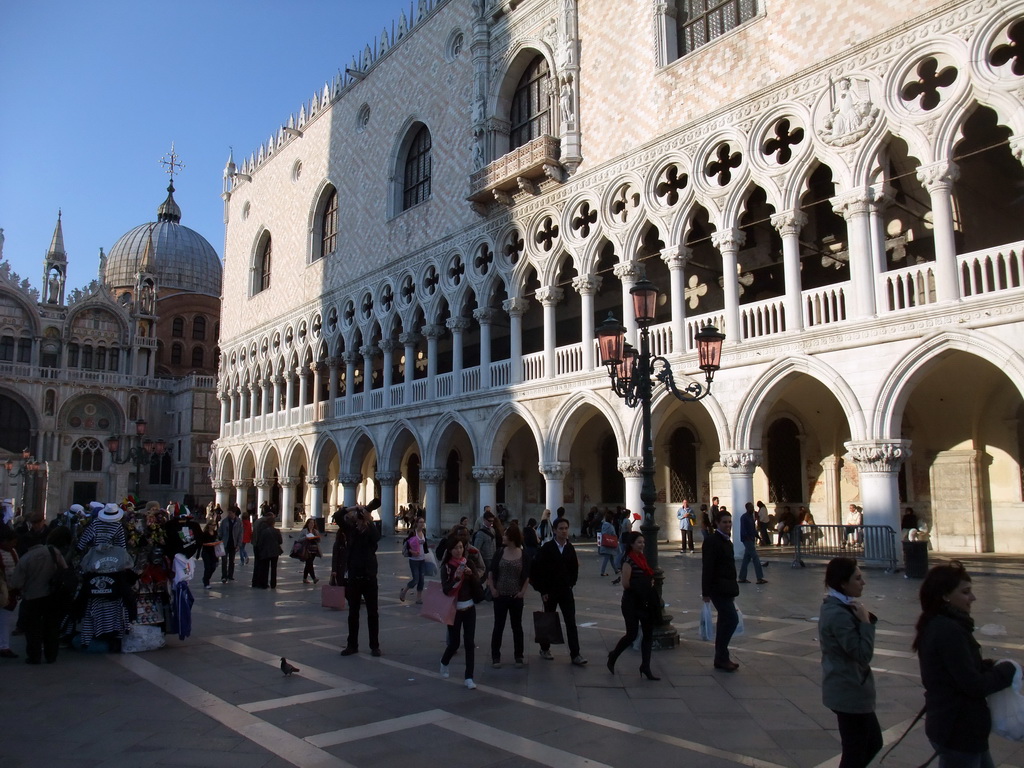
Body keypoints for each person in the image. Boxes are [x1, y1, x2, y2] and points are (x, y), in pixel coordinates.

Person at [913, 561, 1015, 768]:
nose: (973, 598)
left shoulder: (942, 624)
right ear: (945, 596)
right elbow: (973, 684)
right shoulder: (947, 630)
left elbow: (957, 669)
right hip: (958, 730)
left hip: (962, 729)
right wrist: (1007, 671)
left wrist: (989, 665)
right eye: (966, 592)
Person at [819, 557, 881, 768]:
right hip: (848, 689)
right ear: (843, 583)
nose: (863, 582)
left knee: (871, 743)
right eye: (857, 578)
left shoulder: (841, 606)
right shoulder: (837, 613)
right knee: (855, 752)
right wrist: (865, 622)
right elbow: (862, 654)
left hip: (851, 686)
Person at [529, 517, 587, 666]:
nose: (564, 531)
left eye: (566, 528)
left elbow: (574, 568)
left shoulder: (569, 548)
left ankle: (575, 654)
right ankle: (545, 648)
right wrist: (542, 590)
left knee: (570, 622)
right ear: (554, 530)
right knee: (548, 620)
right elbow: (536, 570)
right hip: (550, 591)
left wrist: (571, 584)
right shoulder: (547, 548)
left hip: (565, 591)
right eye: (561, 528)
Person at [8, 527, 69, 664]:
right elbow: (64, 569)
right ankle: (51, 655)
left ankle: (34, 656)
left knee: (33, 628)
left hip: (33, 596)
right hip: (53, 595)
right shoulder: (53, 551)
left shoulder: (25, 559)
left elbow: (17, 582)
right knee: (52, 626)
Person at [607, 531, 660, 680]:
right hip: (631, 602)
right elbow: (626, 584)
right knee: (631, 634)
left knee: (648, 634)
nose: (642, 545)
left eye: (643, 542)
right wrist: (644, 583)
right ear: (631, 544)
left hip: (644, 602)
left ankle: (645, 666)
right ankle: (614, 655)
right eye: (639, 542)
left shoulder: (642, 559)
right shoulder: (628, 561)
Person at [338, 505, 382, 657]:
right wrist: (351, 508)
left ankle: (374, 646)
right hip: (354, 577)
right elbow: (338, 516)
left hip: (369, 576)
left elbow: (377, 537)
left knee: (373, 613)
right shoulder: (350, 530)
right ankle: (352, 645)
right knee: (353, 613)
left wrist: (369, 520)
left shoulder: (370, 531)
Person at [439, 538, 482, 689]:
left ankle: (469, 677)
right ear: (450, 550)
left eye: (461, 547)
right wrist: (456, 578)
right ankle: (444, 661)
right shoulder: (446, 567)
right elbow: (446, 589)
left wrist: (471, 575)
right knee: (454, 642)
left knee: (469, 643)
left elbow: (478, 584)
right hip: (454, 609)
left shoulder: (468, 563)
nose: (459, 550)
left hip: (469, 607)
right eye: (456, 548)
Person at [487, 522, 530, 669]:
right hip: (500, 595)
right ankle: (495, 656)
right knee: (498, 626)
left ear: (512, 537)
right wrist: (492, 588)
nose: (503, 536)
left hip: (516, 596)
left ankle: (519, 655)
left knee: (517, 627)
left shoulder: (522, 554)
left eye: (505, 534)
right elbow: (491, 572)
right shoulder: (499, 552)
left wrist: (522, 592)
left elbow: (526, 575)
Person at [702, 510, 740, 672]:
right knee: (731, 620)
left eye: (729, 522)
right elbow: (708, 567)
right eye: (724, 522)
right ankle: (722, 656)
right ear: (717, 523)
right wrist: (706, 592)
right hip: (718, 588)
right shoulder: (712, 541)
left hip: (728, 588)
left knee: (725, 621)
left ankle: (721, 658)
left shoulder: (727, 541)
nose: (728, 525)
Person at [737, 502, 767, 585]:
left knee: (746, 559)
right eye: (750, 507)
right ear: (747, 508)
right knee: (755, 557)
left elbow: (753, 529)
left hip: (751, 539)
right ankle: (759, 578)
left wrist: (759, 538)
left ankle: (742, 578)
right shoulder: (744, 517)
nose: (752, 509)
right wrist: (747, 538)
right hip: (747, 540)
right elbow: (743, 529)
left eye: (752, 507)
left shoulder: (751, 517)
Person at [0, 526, 19, 658]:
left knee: (5, 620)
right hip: (3, 589)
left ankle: (4, 646)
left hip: (9, 590)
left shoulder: (13, 551)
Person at [400, 516, 428, 603]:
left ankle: (419, 598)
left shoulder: (424, 532)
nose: (422, 524)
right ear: (416, 523)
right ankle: (404, 591)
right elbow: (407, 545)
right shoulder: (413, 533)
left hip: (422, 558)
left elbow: (424, 545)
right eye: (420, 522)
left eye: (423, 522)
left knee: (421, 579)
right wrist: (412, 551)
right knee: (416, 579)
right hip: (414, 559)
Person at [252, 511, 282, 589]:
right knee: (270, 568)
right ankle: (272, 584)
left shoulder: (259, 522)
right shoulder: (265, 525)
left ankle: (258, 582)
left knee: (262, 566)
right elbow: (280, 541)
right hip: (272, 551)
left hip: (261, 548)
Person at [218, 505, 242, 583]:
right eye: (228, 513)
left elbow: (240, 534)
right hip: (225, 543)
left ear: (234, 513)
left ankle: (230, 575)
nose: (229, 515)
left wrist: (239, 544)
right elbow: (220, 532)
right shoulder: (224, 521)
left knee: (232, 560)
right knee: (224, 561)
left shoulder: (238, 521)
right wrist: (220, 540)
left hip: (233, 544)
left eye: (231, 513)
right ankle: (224, 576)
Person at [472, 509, 499, 580]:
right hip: (485, 559)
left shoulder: (492, 530)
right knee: (485, 577)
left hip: (492, 557)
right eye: (489, 521)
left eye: (492, 521)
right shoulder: (480, 533)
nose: (491, 523)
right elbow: (476, 548)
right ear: (484, 520)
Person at [198, 519, 221, 590]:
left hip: (214, 552)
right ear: (209, 525)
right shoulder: (205, 533)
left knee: (213, 567)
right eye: (213, 525)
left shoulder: (215, 533)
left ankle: (206, 578)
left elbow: (217, 540)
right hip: (206, 552)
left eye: (215, 525)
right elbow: (202, 543)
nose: (214, 526)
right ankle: (206, 582)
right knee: (207, 567)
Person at [598, 510, 619, 577]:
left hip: (606, 542)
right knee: (607, 558)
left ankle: (616, 570)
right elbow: (613, 534)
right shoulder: (610, 526)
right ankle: (602, 572)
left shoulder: (604, 525)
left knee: (611, 558)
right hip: (609, 543)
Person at [300, 518, 321, 584]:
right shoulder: (304, 531)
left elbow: (319, 540)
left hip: (314, 550)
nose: (312, 524)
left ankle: (304, 578)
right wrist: (306, 538)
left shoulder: (315, 531)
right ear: (308, 524)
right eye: (310, 523)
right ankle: (314, 578)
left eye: (313, 523)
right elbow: (299, 539)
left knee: (308, 564)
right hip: (306, 549)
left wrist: (316, 538)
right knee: (309, 563)